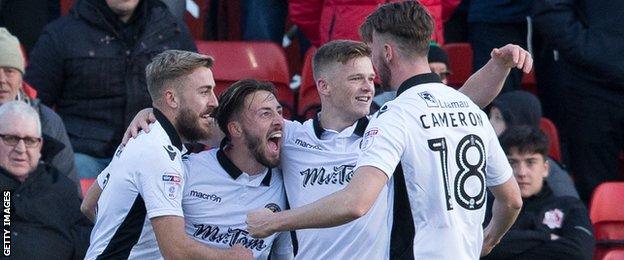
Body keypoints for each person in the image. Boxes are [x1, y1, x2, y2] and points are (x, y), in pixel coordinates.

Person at [246, 2, 527, 259]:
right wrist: (488, 240)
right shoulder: (468, 112)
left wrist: (275, 222)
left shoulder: (394, 116)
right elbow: (512, 201)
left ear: (387, 52)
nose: (372, 76)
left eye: (371, 51)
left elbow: (356, 202)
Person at [83, 50, 250, 259]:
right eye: (204, 92)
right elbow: (175, 251)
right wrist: (231, 257)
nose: (214, 102)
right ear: (171, 98)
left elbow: (89, 204)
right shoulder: (158, 154)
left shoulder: (145, 136)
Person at [25, 0, 196, 180]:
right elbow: (33, 104)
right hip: (83, 155)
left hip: (156, 154)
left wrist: (185, 148)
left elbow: (195, 99)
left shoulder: (173, 30)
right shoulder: (61, 34)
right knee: (65, 173)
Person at [182, 79, 292, 259]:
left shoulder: (288, 182)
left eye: (279, 112)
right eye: (266, 114)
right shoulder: (188, 170)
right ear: (236, 129)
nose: (280, 121)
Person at [533, 0, 624, 203]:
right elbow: (549, 10)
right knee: (594, 188)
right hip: (591, 88)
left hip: (589, 77)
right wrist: (588, 49)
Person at [483, 126, 594, 259]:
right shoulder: (489, 206)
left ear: (545, 168)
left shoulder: (570, 206)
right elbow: (479, 249)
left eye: (530, 162)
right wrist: (545, 236)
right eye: (512, 163)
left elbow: (580, 253)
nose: (522, 172)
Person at [0, 101, 92, 259]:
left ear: (40, 145)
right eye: (11, 139)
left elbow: (87, 245)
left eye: (29, 141)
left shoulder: (62, 188)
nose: (21, 149)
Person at [0, 27, 80, 194]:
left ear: (21, 77)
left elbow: (69, 192)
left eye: (9, 71)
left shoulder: (47, 121)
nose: (2, 80)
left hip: (37, 213)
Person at [488, 90, 579, 199]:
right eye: (490, 117)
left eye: (498, 118)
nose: (489, 124)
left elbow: (570, 210)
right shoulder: (488, 158)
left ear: (518, 122)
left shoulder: (555, 179)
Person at [372, 43, 451, 111]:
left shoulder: (453, 102)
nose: (437, 79)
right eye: (431, 73)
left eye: (443, 74)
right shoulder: (378, 105)